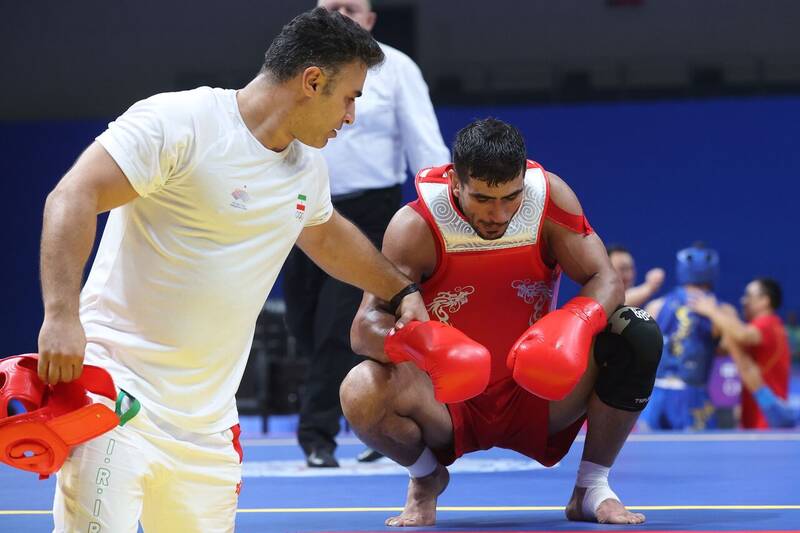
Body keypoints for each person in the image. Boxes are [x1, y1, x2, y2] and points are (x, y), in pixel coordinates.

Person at [36, 8, 429, 532]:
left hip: (208, 427)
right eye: (350, 97)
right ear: (312, 81)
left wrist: (401, 290)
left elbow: (327, 236)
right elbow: (73, 195)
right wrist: (61, 316)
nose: (352, 116)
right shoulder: (180, 122)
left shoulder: (305, 165)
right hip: (118, 397)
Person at [341, 118, 663, 527]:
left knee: (637, 330)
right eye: (483, 199)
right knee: (359, 390)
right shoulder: (415, 226)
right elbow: (364, 327)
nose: (499, 213)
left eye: (511, 198)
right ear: (455, 182)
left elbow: (605, 278)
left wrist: (576, 321)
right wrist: (422, 343)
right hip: (445, 398)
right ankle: (425, 477)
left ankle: (591, 486)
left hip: (538, 384)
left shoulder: (549, 200)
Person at [284, 0, 450, 468]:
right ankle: (378, 410)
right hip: (298, 207)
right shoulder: (295, 65)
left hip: (367, 214)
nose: (341, 15)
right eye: (331, 7)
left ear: (371, 21)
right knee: (302, 320)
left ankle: (319, 436)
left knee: (337, 325)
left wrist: (442, 212)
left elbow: (424, 141)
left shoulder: (396, 69)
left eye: (351, 8)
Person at [689, 278, 795, 428]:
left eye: (748, 296)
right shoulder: (765, 328)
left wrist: (712, 311)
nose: (743, 300)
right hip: (753, 417)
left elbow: (741, 334)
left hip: (766, 421)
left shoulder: (768, 323)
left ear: (764, 301)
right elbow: (726, 348)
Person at [640, 245, 725, 430]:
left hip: (654, 398)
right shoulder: (720, 311)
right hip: (693, 398)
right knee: (699, 457)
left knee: (649, 456)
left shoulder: (656, 306)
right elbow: (736, 343)